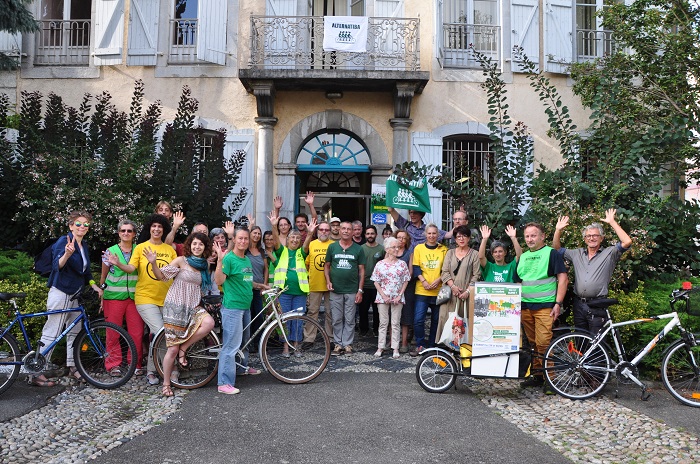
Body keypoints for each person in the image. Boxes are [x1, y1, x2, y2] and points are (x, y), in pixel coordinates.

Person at [30, 211, 103, 387]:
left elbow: (85, 272)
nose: (82, 227)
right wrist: (67, 255)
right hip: (61, 291)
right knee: (53, 331)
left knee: (75, 332)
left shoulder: (83, 245)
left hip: (75, 293)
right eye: (78, 224)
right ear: (71, 226)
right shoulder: (64, 242)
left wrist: (93, 284)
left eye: (86, 224)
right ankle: (35, 372)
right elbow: (57, 265)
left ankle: (73, 366)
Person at [145, 232, 216, 397]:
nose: (197, 247)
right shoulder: (181, 261)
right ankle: (166, 383)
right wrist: (153, 263)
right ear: (189, 245)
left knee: (209, 323)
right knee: (172, 350)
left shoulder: (204, 265)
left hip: (192, 306)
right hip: (175, 307)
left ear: (205, 247)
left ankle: (184, 347)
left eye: (200, 244)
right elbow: (161, 276)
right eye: (194, 243)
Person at [110, 213, 177, 386]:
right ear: (149, 228)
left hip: (166, 299)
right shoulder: (140, 248)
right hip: (145, 298)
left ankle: (151, 370)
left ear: (164, 230)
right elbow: (131, 267)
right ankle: (171, 369)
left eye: (160, 227)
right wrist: (117, 263)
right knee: (161, 331)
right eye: (153, 226)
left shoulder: (170, 250)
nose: (156, 229)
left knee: (160, 334)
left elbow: (173, 274)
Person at [553, 208, 632, 334]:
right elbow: (556, 249)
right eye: (588, 236)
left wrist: (612, 222)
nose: (592, 238)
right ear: (584, 239)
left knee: (598, 343)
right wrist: (558, 230)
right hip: (579, 304)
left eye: (595, 235)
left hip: (598, 304)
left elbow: (627, 241)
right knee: (581, 341)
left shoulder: (610, 253)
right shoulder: (576, 253)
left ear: (601, 238)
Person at [515, 223, 568, 392]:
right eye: (527, 236)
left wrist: (558, 303)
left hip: (545, 307)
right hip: (525, 307)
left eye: (533, 236)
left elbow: (563, 279)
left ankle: (550, 380)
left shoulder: (551, 254)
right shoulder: (523, 257)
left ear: (542, 236)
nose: (530, 239)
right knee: (533, 344)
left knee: (544, 343)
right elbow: (518, 282)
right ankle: (537, 375)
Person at [268, 212, 317, 356]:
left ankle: (296, 346)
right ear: (287, 240)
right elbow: (276, 240)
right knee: (284, 321)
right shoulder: (281, 251)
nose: (295, 240)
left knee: (297, 320)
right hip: (284, 292)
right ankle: (285, 348)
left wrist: (309, 233)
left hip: (300, 292)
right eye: (292, 237)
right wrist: (273, 225)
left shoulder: (302, 252)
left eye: (297, 238)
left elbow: (307, 243)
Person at [100, 219, 144, 377]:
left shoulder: (139, 250)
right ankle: (113, 364)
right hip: (113, 297)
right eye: (123, 230)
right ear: (119, 233)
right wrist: (101, 295)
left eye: (129, 231)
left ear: (134, 234)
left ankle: (136, 363)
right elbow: (103, 275)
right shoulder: (110, 250)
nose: (126, 233)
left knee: (137, 333)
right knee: (112, 332)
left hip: (134, 297)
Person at [213, 229, 255, 395]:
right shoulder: (229, 258)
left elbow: (246, 282)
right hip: (233, 308)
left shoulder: (246, 260)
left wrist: (262, 286)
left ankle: (239, 369)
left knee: (241, 342)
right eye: (240, 238)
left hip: (245, 307)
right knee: (230, 346)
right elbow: (219, 281)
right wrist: (219, 261)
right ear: (235, 240)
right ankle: (224, 383)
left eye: (246, 239)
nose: (243, 241)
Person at [325, 221, 365, 355]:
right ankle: (337, 344)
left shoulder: (358, 249)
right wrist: (328, 281)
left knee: (349, 318)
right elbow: (326, 266)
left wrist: (360, 290)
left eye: (349, 229)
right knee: (336, 318)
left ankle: (347, 344)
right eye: (343, 229)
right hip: (335, 289)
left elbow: (362, 271)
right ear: (339, 231)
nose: (346, 231)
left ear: (353, 232)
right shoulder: (332, 247)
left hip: (352, 290)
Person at [435, 225, 480, 344]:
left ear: (469, 238)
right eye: (458, 236)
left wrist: (467, 291)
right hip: (450, 294)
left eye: (464, 236)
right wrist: (453, 286)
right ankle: (445, 350)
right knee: (445, 319)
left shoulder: (474, 254)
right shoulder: (449, 253)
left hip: (465, 295)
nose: (461, 239)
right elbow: (444, 272)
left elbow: (476, 275)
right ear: (455, 239)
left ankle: (462, 349)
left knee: (462, 321)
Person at [410, 224, 447, 356]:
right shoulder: (419, 248)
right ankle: (420, 344)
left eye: (434, 233)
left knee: (436, 321)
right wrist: (424, 281)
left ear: (438, 235)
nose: (432, 236)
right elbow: (416, 267)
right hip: (422, 290)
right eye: (429, 233)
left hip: (438, 291)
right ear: (425, 234)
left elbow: (446, 269)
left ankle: (433, 345)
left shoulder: (444, 249)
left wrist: (438, 280)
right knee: (418, 319)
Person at [371, 237, 410, 359]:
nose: (397, 249)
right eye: (394, 247)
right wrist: (383, 295)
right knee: (383, 323)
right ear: (387, 249)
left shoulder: (402, 264)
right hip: (383, 297)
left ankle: (395, 348)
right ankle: (380, 347)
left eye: (397, 247)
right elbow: (376, 281)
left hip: (397, 297)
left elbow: (406, 280)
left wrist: (399, 295)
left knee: (395, 323)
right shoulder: (380, 264)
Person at [303, 220, 335, 349]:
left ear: (330, 231)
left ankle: (330, 338)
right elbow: (306, 263)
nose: (324, 232)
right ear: (317, 231)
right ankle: (309, 338)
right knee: (312, 312)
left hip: (330, 284)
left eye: (327, 230)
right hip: (314, 284)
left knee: (330, 312)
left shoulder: (334, 245)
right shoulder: (311, 244)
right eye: (321, 229)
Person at [358, 225, 385, 336]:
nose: (370, 235)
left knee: (377, 310)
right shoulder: (361, 249)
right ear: (365, 235)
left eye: (372, 233)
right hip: (364, 284)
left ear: (376, 235)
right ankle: (363, 330)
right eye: (368, 233)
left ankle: (376, 330)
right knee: (363, 310)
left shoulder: (382, 249)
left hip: (377, 286)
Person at [247, 224, 270, 351]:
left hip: (258, 289)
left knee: (259, 316)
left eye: (258, 233)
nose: (256, 235)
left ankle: (257, 342)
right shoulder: (245, 250)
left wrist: (264, 286)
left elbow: (266, 269)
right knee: (248, 315)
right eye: (254, 233)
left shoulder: (262, 252)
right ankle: (248, 342)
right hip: (246, 288)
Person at [387, 208, 453, 248]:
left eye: (415, 213)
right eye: (410, 213)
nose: (412, 215)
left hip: (423, 262)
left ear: (421, 214)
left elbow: (449, 235)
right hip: (408, 260)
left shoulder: (428, 229)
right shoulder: (405, 224)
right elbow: (391, 210)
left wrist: (459, 221)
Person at [395, 230, 415, 354]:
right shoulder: (390, 251)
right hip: (392, 289)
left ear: (407, 240)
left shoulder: (409, 253)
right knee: (393, 317)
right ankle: (393, 342)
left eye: (403, 238)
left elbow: (410, 272)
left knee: (406, 317)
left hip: (407, 288)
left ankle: (404, 343)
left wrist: (402, 284)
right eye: (398, 237)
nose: (401, 240)